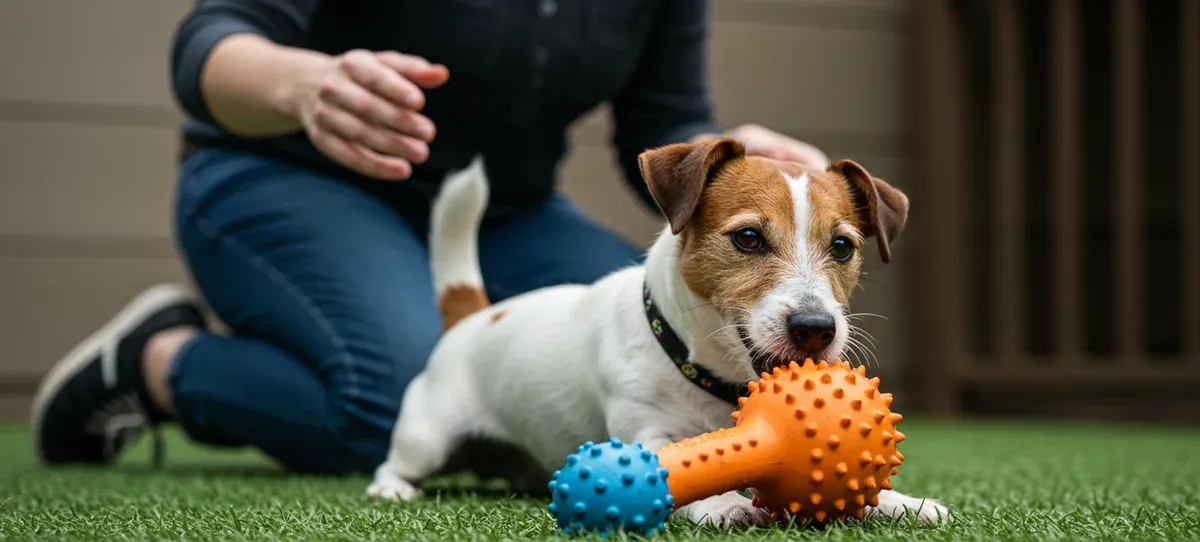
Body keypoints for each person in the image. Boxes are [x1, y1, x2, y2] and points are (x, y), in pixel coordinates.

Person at [31, 0, 830, 475]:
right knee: (396, 403)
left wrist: (738, 157)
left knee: (641, 361)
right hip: (287, 178)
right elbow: (210, 42)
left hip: (503, 214)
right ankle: (161, 364)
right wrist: (305, 84)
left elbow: (660, 123)